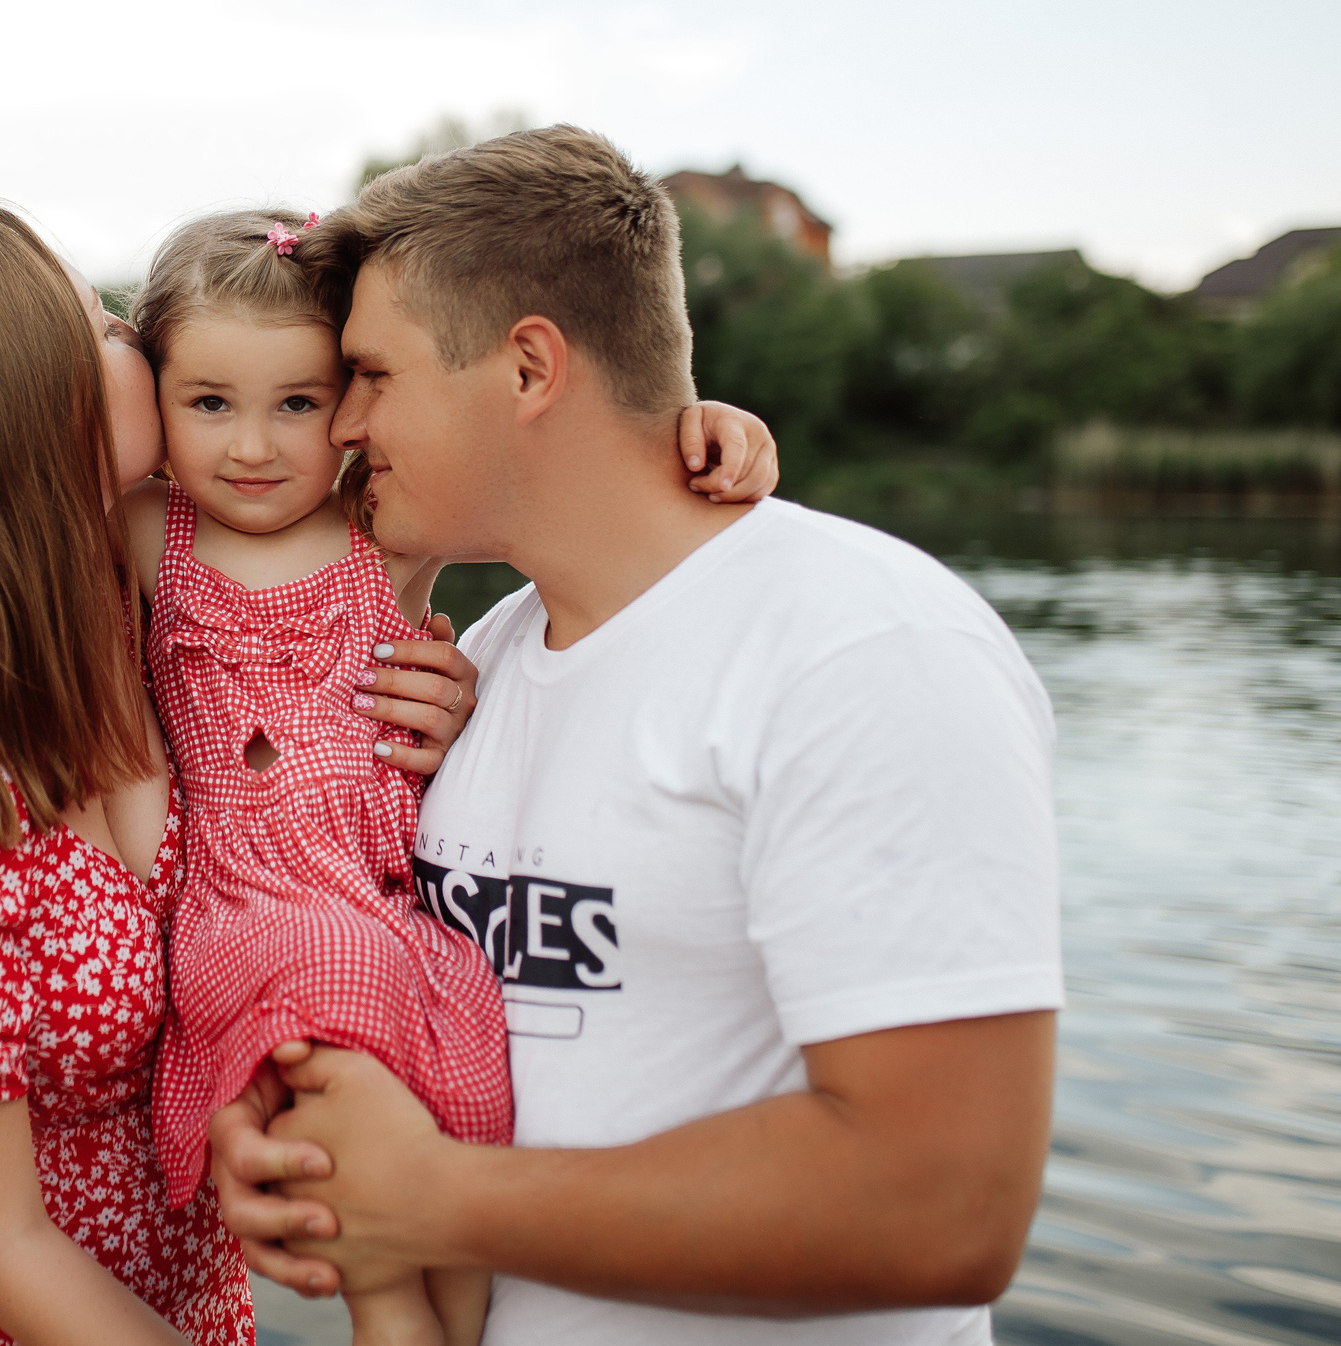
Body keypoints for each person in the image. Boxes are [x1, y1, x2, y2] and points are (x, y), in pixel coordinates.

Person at [209, 127, 1064, 1346]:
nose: (340, 424)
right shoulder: (472, 665)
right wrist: (291, 1130)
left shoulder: (865, 649)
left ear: (528, 369)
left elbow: (944, 1209)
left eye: (372, 374)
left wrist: (431, 1200)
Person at [0, 205, 477, 1345]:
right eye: (99, 326)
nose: (135, 333)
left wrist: (430, 703)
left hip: (191, 1307)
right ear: (23, 409)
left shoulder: (137, 612)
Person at [124, 208, 783, 1346]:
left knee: (472, 1074)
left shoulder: (379, 525)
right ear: (154, 398)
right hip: (246, 903)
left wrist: (709, 424)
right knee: (345, 1053)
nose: (253, 447)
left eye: (298, 403)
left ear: (351, 401)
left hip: (382, 899)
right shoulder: (148, 532)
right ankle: (386, 1305)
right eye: (208, 403)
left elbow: (562, 453)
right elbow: (48, 446)